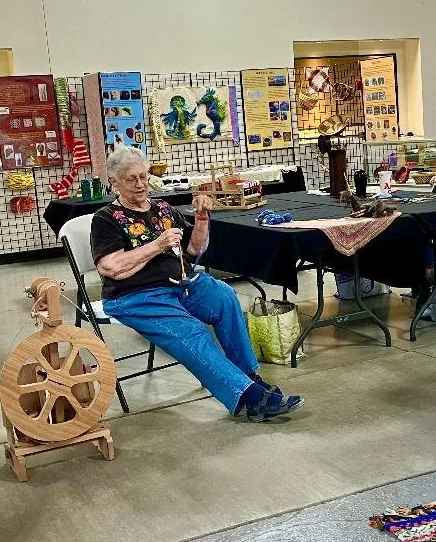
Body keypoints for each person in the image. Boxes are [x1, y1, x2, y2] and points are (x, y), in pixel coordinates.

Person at [90, 147, 304, 422]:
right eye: (131, 179)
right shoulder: (106, 218)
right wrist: (157, 245)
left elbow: (193, 249)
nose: (141, 184)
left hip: (182, 284)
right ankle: (251, 399)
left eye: (143, 176)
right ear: (114, 182)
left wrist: (202, 219)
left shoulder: (163, 209)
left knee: (225, 297)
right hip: (136, 296)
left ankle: (247, 376)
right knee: (192, 332)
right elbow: (110, 267)